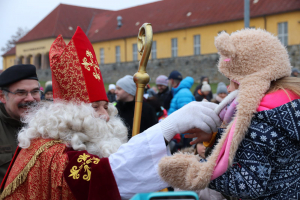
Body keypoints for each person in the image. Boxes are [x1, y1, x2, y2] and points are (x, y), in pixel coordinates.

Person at [0, 27, 221, 200]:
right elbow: (107, 177)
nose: (105, 115)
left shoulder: (78, 142)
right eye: (95, 107)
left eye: (106, 106)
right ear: (68, 113)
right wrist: (169, 127)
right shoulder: (51, 152)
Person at [158, 29, 300, 199]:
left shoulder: (260, 121)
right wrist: (216, 138)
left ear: (251, 81)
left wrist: (194, 169)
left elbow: (248, 184)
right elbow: (261, 154)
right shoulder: (286, 108)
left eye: (232, 81)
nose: (229, 88)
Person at [0, 64, 41, 183]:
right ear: (2, 96)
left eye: (35, 91)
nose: (30, 98)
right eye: (21, 92)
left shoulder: (51, 125)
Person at [115, 75, 157, 140]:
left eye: (119, 89)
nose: (115, 92)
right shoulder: (115, 109)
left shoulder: (146, 110)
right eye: (116, 88)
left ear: (129, 91)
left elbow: (153, 133)